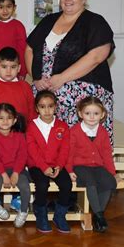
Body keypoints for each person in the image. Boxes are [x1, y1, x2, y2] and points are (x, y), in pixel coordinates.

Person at [25, 0, 116, 144]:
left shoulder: (95, 22)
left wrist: (62, 78)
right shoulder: (48, 21)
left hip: (83, 95)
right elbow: (29, 48)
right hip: (45, 91)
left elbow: (97, 56)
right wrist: (36, 78)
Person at [67, 96, 117, 233]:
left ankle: (97, 214)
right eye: (87, 113)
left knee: (109, 182)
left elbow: (106, 153)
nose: (92, 117)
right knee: (91, 182)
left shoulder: (102, 132)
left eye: (96, 113)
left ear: (102, 115)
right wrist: (69, 170)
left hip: (97, 166)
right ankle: (100, 217)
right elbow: (69, 153)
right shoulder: (74, 131)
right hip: (80, 166)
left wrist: (112, 172)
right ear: (80, 114)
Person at [26, 90, 72, 233]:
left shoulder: (62, 126)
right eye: (42, 106)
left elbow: (65, 150)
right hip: (36, 165)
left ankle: (59, 215)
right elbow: (32, 150)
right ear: (36, 108)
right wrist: (44, 167)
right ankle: (41, 214)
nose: (47, 110)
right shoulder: (31, 126)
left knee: (66, 184)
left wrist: (58, 166)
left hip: (56, 164)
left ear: (56, 107)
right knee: (41, 184)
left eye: (50, 106)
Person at [0, 103, 30, 228]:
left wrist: (16, 173)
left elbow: (22, 156)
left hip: (16, 169)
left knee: (25, 185)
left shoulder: (20, 137)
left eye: (9, 118)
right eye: (1, 118)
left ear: (15, 120)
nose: (5, 121)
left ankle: (24, 210)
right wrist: (3, 174)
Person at [0, 47, 36, 122]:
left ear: (19, 68)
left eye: (13, 67)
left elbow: (32, 112)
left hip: (21, 131)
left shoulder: (26, 87)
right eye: (4, 67)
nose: (8, 71)